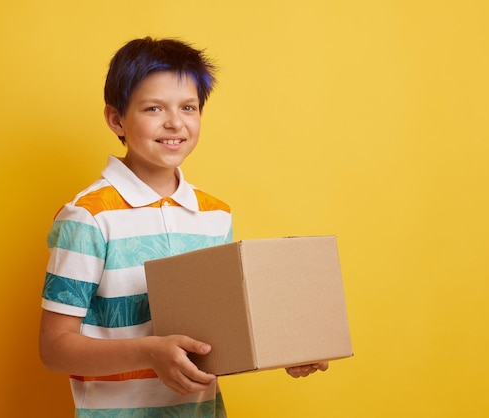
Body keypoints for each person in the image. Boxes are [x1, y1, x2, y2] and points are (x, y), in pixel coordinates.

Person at [39, 36, 328, 417]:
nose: (174, 122)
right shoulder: (88, 217)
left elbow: (221, 331)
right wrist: (147, 351)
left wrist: (289, 347)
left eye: (188, 107)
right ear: (116, 119)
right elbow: (55, 348)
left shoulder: (215, 215)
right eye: (154, 108)